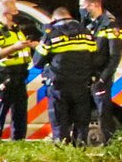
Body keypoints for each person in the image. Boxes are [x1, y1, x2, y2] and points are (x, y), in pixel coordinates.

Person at [32, 8, 98, 145]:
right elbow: (93, 58)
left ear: (54, 19)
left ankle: (63, 155)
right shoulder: (86, 33)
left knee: (60, 126)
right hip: (81, 86)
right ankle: (80, 154)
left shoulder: (51, 35)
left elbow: (37, 62)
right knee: (81, 125)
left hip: (59, 87)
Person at [0, 2, 37, 141]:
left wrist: (30, 45)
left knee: (20, 119)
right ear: (6, 14)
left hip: (19, 79)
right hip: (3, 79)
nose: (17, 14)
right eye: (14, 12)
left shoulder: (16, 29)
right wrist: (14, 47)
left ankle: (17, 148)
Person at [79, 0, 122, 143]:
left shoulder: (111, 25)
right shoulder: (89, 23)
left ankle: (108, 147)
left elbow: (115, 56)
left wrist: (102, 79)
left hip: (101, 77)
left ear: (94, 4)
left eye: (83, 6)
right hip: (87, 76)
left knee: (103, 115)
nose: (82, 9)